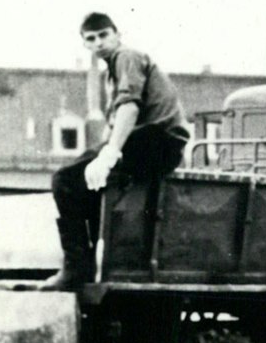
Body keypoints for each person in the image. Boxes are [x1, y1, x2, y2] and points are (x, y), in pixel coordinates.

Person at [41, 14, 189, 290]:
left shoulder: (127, 57)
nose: (99, 42)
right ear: (85, 45)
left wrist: (109, 153)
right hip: (150, 141)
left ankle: (76, 268)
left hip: (158, 141)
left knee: (64, 181)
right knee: (80, 178)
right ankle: (96, 261)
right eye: (91, 38)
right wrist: (97, 155)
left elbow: (130, 108)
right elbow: (116, 122)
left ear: (117, 35)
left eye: (104, 35)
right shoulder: (114, 69)